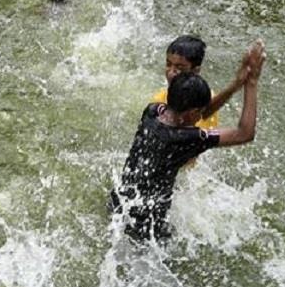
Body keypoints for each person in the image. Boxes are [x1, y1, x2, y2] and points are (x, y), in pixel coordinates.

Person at [110, 39, 266, 241]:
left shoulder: (153, 111)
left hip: (121, 202)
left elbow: (198, 114)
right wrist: (251, 82)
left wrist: (236, 84)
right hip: (147, 224)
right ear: (192, 112)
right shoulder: (185, 139)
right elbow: (245, 133)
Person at [151, 35, 253, 130]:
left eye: (179, 67)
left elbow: (207, 109)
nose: (171, 72)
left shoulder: (206, 97)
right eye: (168, 64)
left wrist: (237, 84)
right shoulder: (158, 99)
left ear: (196, 71)